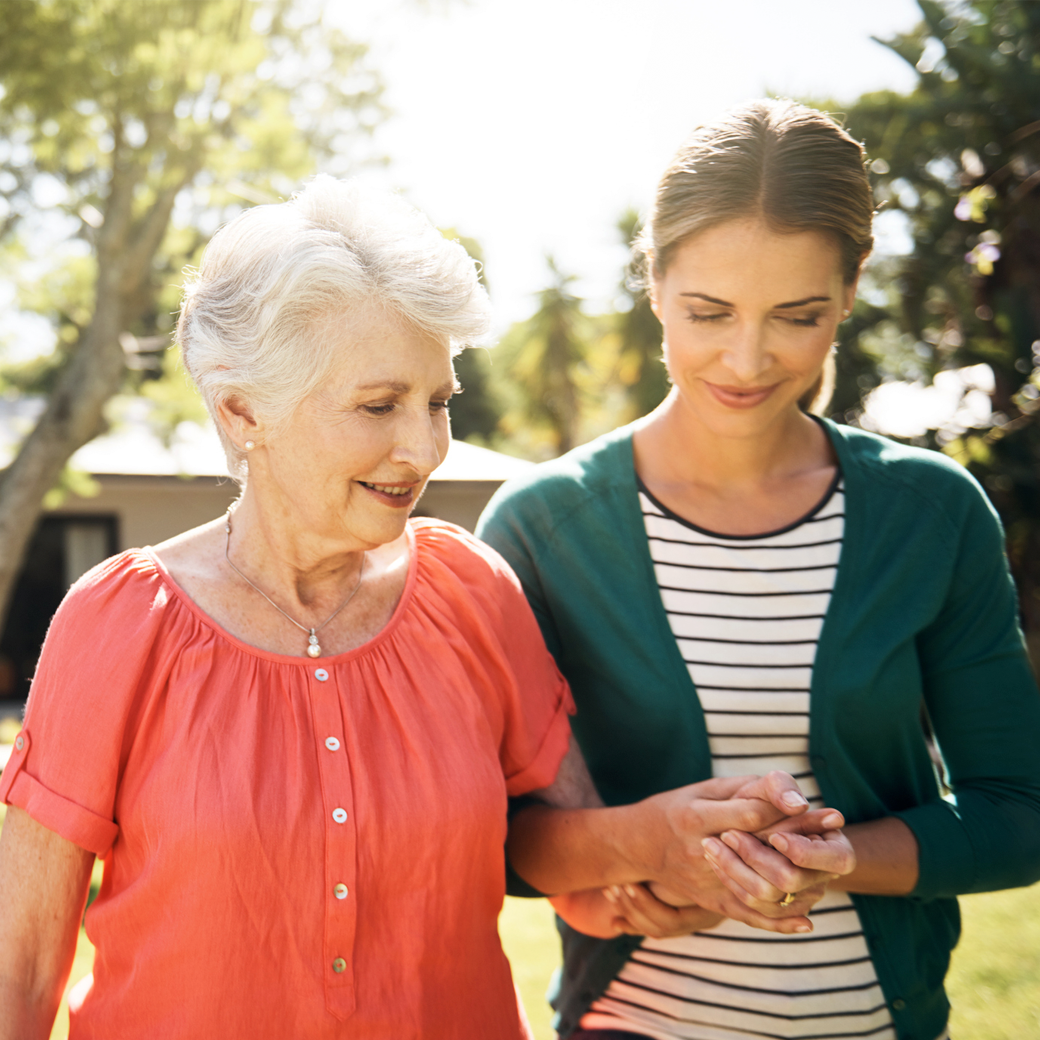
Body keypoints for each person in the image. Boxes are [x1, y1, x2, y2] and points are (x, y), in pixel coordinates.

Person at [0, 175, 847, 1040]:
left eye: (438, 401)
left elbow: (578, 870)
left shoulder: (470, 592)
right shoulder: (118, 624)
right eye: (379, 405)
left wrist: (694, 859)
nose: (425, 447)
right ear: (243, 410)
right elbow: (21, 966)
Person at [478, 99, 1040, 1040]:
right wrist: (651, 845)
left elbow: (1017, 811)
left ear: (853, 289)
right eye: (708, 312)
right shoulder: (542, 528)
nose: (747, 358)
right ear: (652, 282)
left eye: (798, 314)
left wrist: (830, 858)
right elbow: (495, 841)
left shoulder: (932, 514)